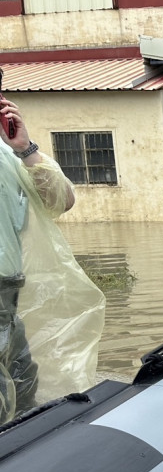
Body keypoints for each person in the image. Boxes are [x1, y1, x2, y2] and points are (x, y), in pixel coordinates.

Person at [0, 82, 104, 422]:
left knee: (22, 384)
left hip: (8, 291)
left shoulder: (9, 153)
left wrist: (25, 148)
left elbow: (61, 201)